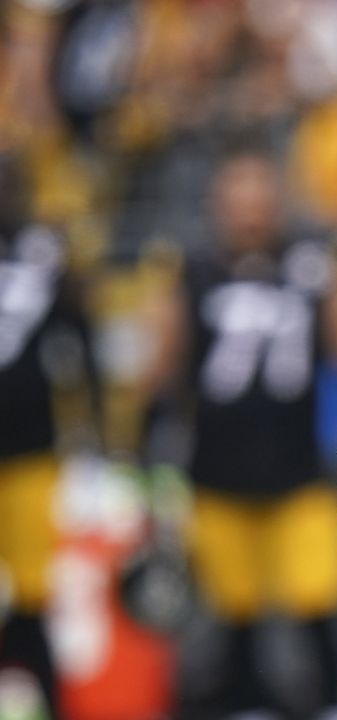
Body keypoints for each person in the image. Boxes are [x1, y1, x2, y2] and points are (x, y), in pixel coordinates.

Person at [140, 142, 337, 719]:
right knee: (228, 622)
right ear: (218, 204)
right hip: (216, 474)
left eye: (260, 197)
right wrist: (143, 456)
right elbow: (159, 371)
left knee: (322, 610)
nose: (250, 212)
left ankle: (336, 704)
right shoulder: (190, 270)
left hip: (300, 472)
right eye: (239, 199)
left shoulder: (314, 263)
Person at [0, 154, 98, 719]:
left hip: (32, 449)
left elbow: (79, 342)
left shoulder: (45, 252)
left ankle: (47, 702)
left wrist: (98, 432)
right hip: (34, 445)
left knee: (34, 592)